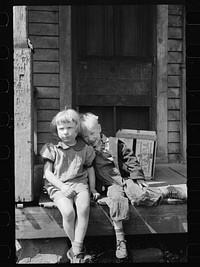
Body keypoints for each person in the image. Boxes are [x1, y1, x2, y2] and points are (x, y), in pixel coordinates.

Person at [80, 112, 187, 260]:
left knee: (140, 195)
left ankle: (167, 191)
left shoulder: (114, 143)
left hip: (125, 179)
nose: (90, 138)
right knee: (116, 201)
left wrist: (138, 177)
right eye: (85, 136)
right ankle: (120, 240)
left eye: (92, 133)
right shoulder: (87, 151)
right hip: (111, 185)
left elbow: (131, 159)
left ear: (99, 128)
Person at [40, 109, 100, 263]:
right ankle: (77, 249)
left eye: (69, 128)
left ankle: (76, 251)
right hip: (58, 185)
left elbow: (90, 169)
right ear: (56, 130)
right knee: (68, 212)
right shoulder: (52, 149)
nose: (65, 132)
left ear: (77, 128)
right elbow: (48, 174)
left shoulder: (85, 149)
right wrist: (62, 187)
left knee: (84, 209)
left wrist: (92, 188)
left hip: (79, 183)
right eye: (61, 129)